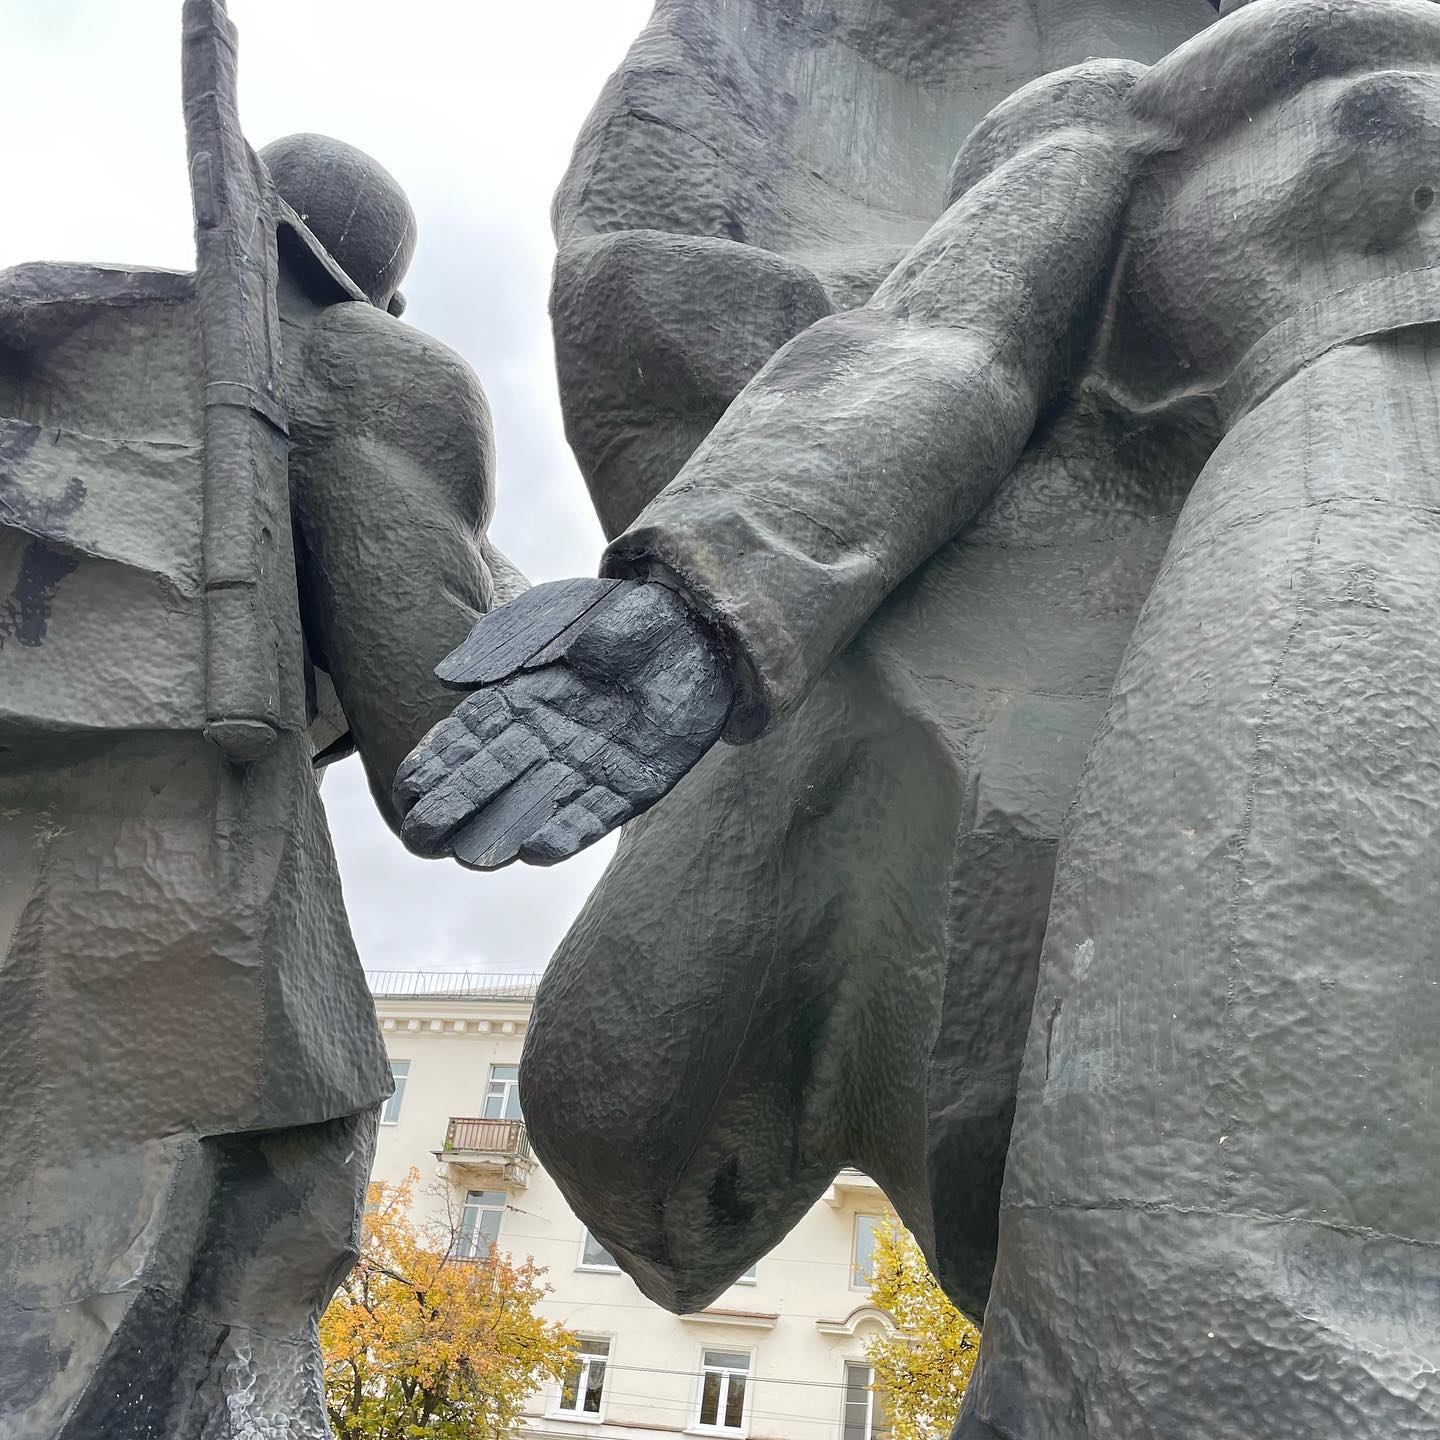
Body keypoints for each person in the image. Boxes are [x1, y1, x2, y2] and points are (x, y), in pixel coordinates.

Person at [400, 0, 1440, 1431]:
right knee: (1209, 1291)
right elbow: (955, 339)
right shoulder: (1209, 94)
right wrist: (716, 596)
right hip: (1364, 500)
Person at [0, 19, 521, 1433]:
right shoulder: (368, 368)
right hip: (183, 953)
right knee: (186, 1337)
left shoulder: (49, 333)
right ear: (383, 292)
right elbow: (447, 752)